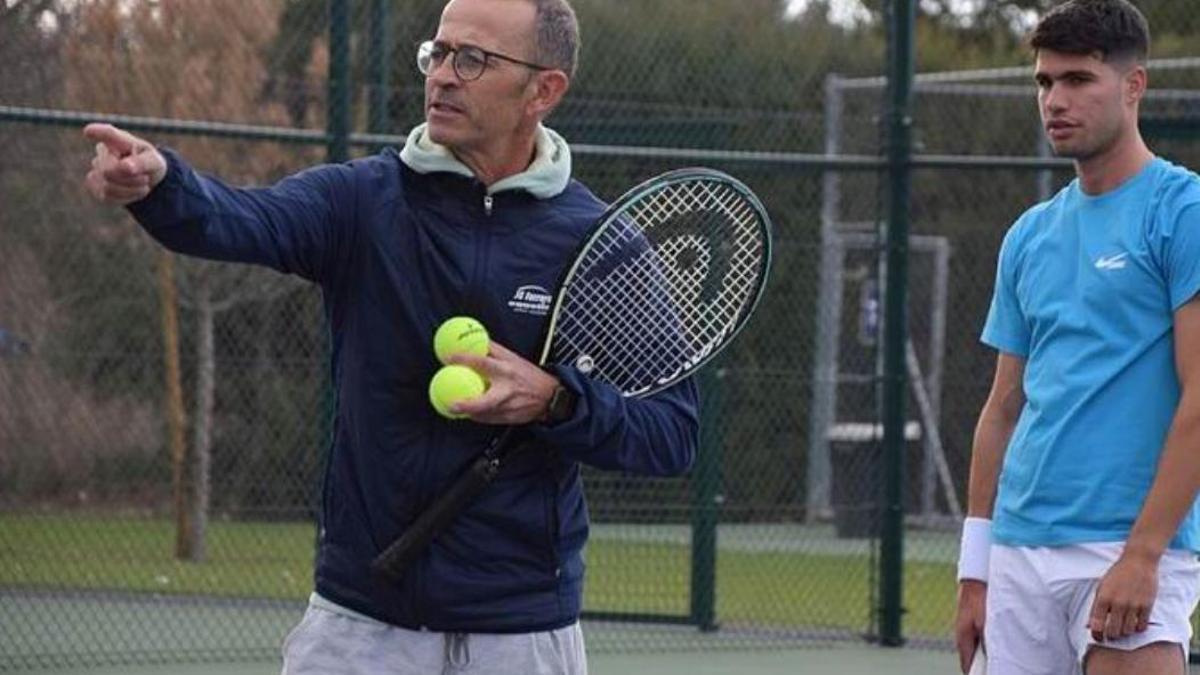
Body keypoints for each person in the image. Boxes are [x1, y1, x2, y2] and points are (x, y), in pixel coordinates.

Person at [82, 0, 700, 672]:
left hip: (522, 632)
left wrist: (556, 402)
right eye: (439, 53)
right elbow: (240, 218)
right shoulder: (363, 201)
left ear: (543, 91)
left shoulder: (602, 246)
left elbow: (671, 432)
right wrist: (161, 185)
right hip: (358, 626)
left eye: (473, 59)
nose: (443, 75)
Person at [954, 1, 1200, 674]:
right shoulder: (1028, 235)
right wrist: (975, 570)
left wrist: (1144, 553)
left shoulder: (1183, 211)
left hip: (1126, 546)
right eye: (1044, 82)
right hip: (1016, 552)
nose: (1055, 100)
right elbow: (1003, 407)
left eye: (1077, 80)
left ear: (1133, 85)